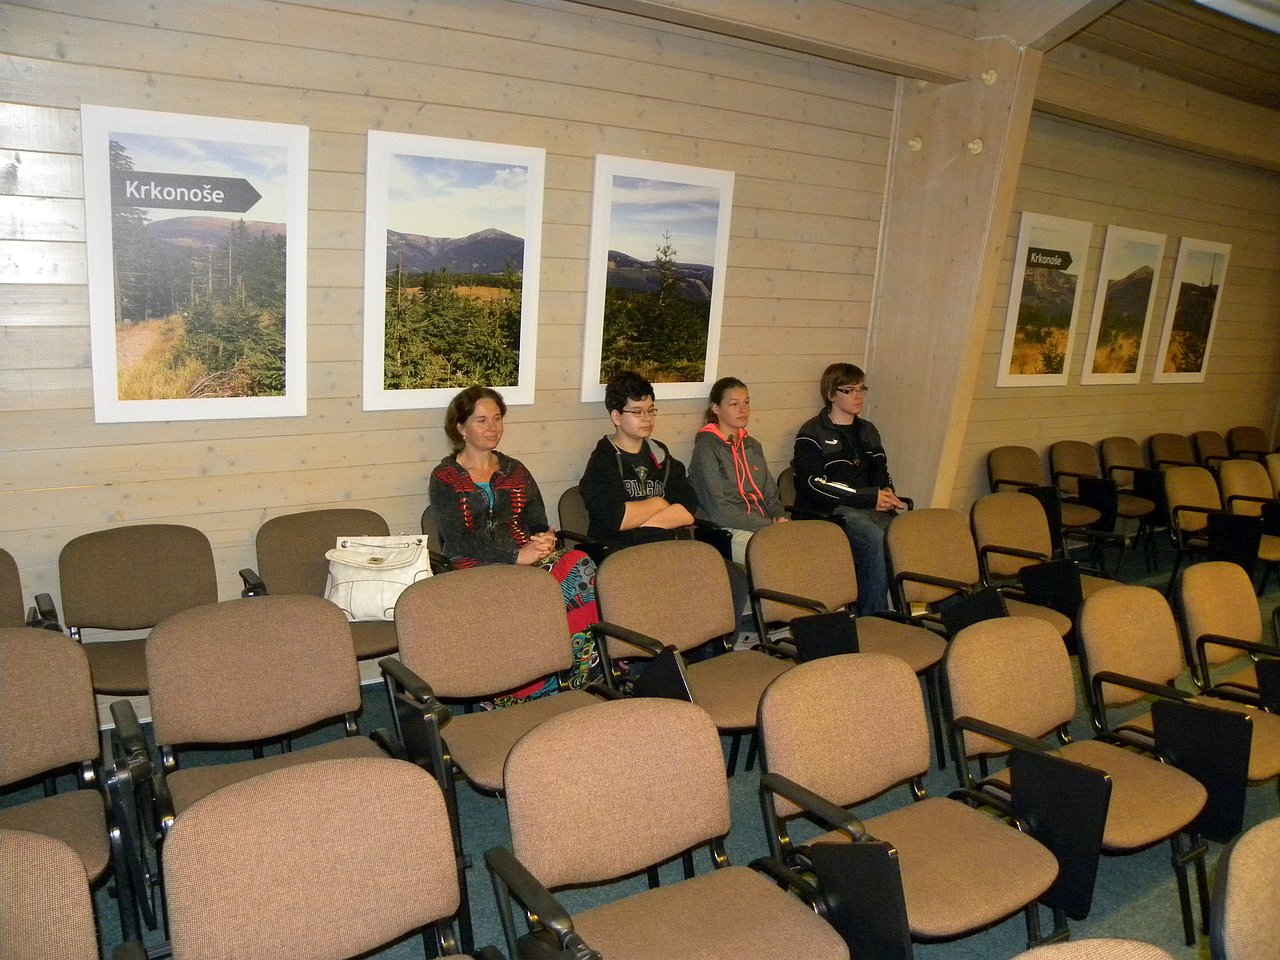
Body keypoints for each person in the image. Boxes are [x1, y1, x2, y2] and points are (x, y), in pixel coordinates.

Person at [429, 386, 599, 704]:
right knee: (518, 590)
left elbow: (537, 521)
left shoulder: (515, 470)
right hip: (472, 564)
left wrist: (545, 538)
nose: (492, 427)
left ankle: (579, 670)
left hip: (525, 555)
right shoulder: (445, 477)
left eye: (497, 419)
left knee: (580, 563)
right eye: (481, 420)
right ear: (461, 427)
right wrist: (514, 556)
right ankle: (517, 691)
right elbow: (457, 539)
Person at [580, 370, 750, 636]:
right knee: (669, 587)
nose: (647, 418)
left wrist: (641, 518)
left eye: (651, 410)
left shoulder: (661, 456)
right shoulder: (603, 462)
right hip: (624, 553)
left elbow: (687, 511)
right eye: (637, 412)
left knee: (733, 578)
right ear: (616, 417)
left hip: (670, 546)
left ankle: (711, 651)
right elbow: (617, 519)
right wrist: (660, 502)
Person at [792, 362, 906, 614]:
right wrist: (868, 497)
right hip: (830, 510)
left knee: (907, 534)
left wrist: (887, 494)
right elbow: (813, 483)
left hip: (869, 506)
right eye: (850, 390)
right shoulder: (812, 432)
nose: (858, 396)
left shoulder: (868, 430)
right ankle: (873, 619)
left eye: (862, 389)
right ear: (831, 394)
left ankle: (921, 612)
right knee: (874, 540)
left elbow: (881, 472)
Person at [689, 376, 787, 563]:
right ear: (716, 408)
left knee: (806, 547)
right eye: (734, 404)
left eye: (746, 402)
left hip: (764, 525)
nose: (743, 410)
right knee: (778, 557)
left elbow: (770, 494)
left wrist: (779, 517)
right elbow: (718, 510)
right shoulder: (707, 448)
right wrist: (768, 526)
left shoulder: (753, 446)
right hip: (728, 529)